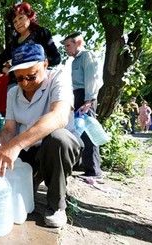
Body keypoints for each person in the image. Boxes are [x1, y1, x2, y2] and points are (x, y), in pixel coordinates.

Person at [0, 44, 82, 228]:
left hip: (56, 148)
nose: (25, 83)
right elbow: (9, 130)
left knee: (58, 140)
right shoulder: (13, 93)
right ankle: (33, 178)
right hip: (28, 151)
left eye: (31, 76)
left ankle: (56, 205)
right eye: (19, 78)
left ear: (45, 64)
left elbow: (59, 116)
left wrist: (15, 146)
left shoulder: (59, 78)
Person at [0, 2, 61, 90]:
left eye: (21, 18)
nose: (18, 23)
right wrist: (10, 72)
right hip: (16, 85)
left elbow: (56, 58)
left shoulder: (41, 33)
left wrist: (37, 65)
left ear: (29, 16)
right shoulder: (13, 43)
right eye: (14, 21)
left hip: (38, 82)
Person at [64, 32, 104, 178]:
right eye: (65, 46)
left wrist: (89, 101)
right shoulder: (75, 61)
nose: (66, 49)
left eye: (68, 45)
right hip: (78, 97)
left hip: (86, 98)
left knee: (88, 133)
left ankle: (94, 171)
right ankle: (82, 165)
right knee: (78, 131)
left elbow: (92, 79)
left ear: (78, 43)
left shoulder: (87, 56)